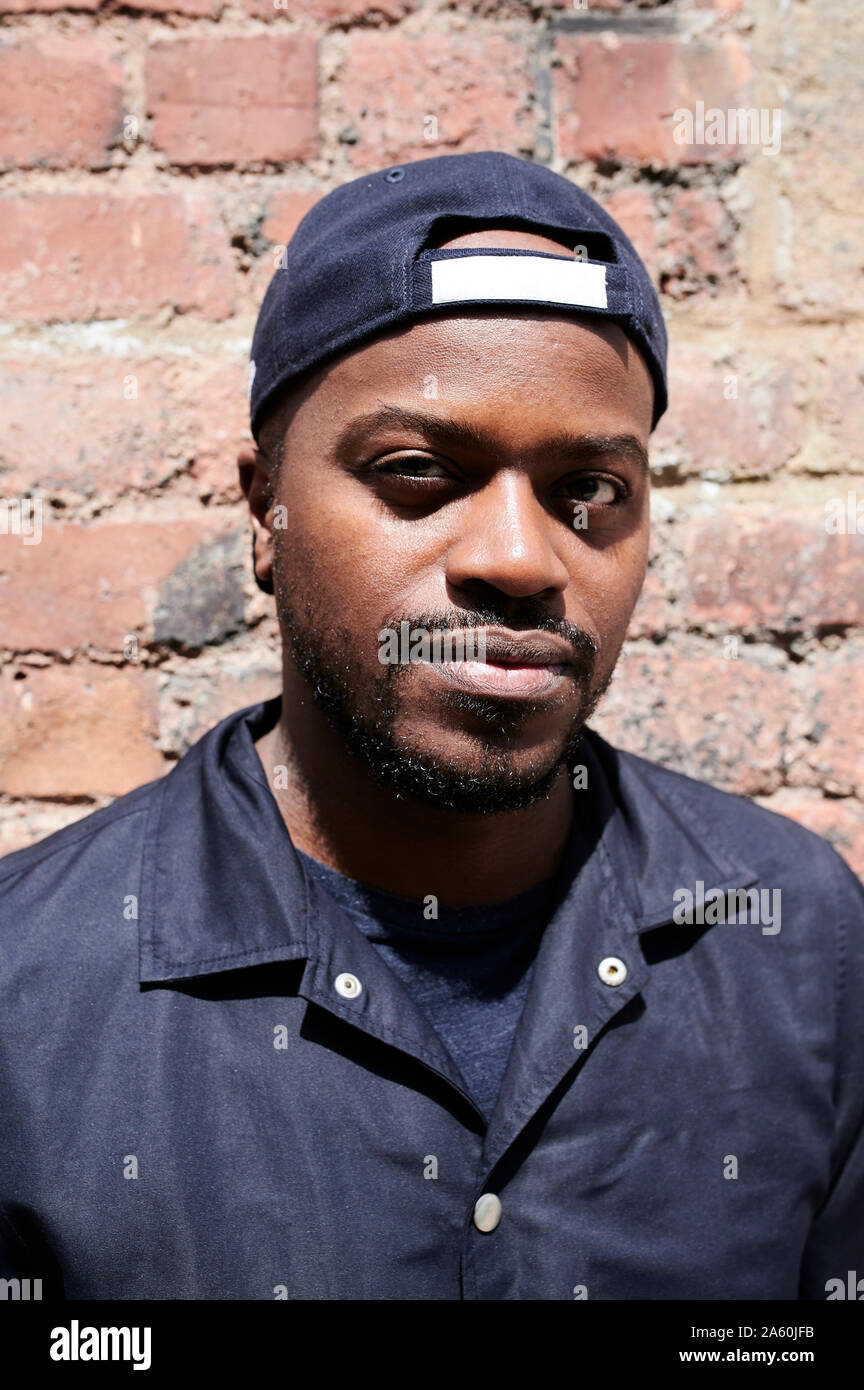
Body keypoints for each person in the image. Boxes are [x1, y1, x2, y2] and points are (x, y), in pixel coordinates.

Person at [1, 152, 861, 1301]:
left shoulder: (796, 942)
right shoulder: (31, 993)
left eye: (590, 492)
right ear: (267, 510)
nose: (517, 558)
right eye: (418, 474)